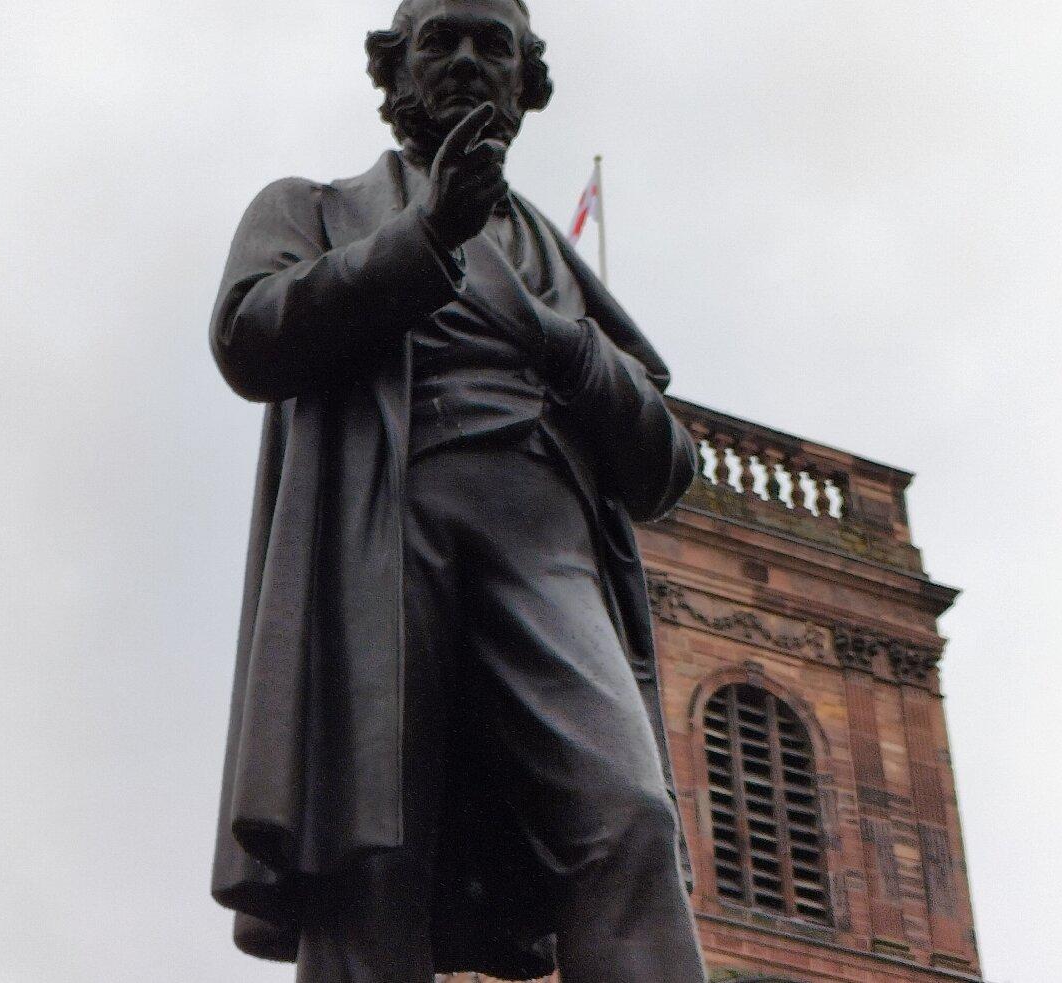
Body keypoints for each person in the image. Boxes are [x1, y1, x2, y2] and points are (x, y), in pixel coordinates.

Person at [208, 1, 707, 979]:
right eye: (442, 40)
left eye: (496, 44)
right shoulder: (311, 207)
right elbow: (249, 333)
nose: (471, 61)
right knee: (369, 848)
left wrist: (563, 342)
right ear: (396, 74)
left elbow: (665, 465)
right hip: (382, 528)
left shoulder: (561, 274)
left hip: (545, 537)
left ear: (526, 82)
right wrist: (428, 236)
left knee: (630, 812)